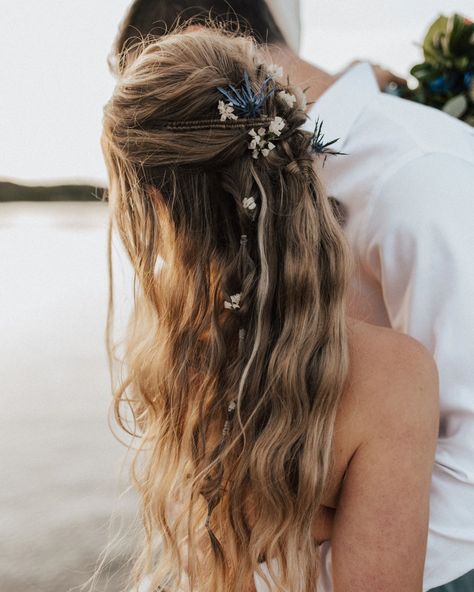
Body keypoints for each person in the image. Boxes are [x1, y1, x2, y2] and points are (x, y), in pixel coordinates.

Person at [110, 2, 474, 591]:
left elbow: (467, 464)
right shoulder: (256, 184)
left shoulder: (419, 178)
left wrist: (327, 529)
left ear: (202, 39)